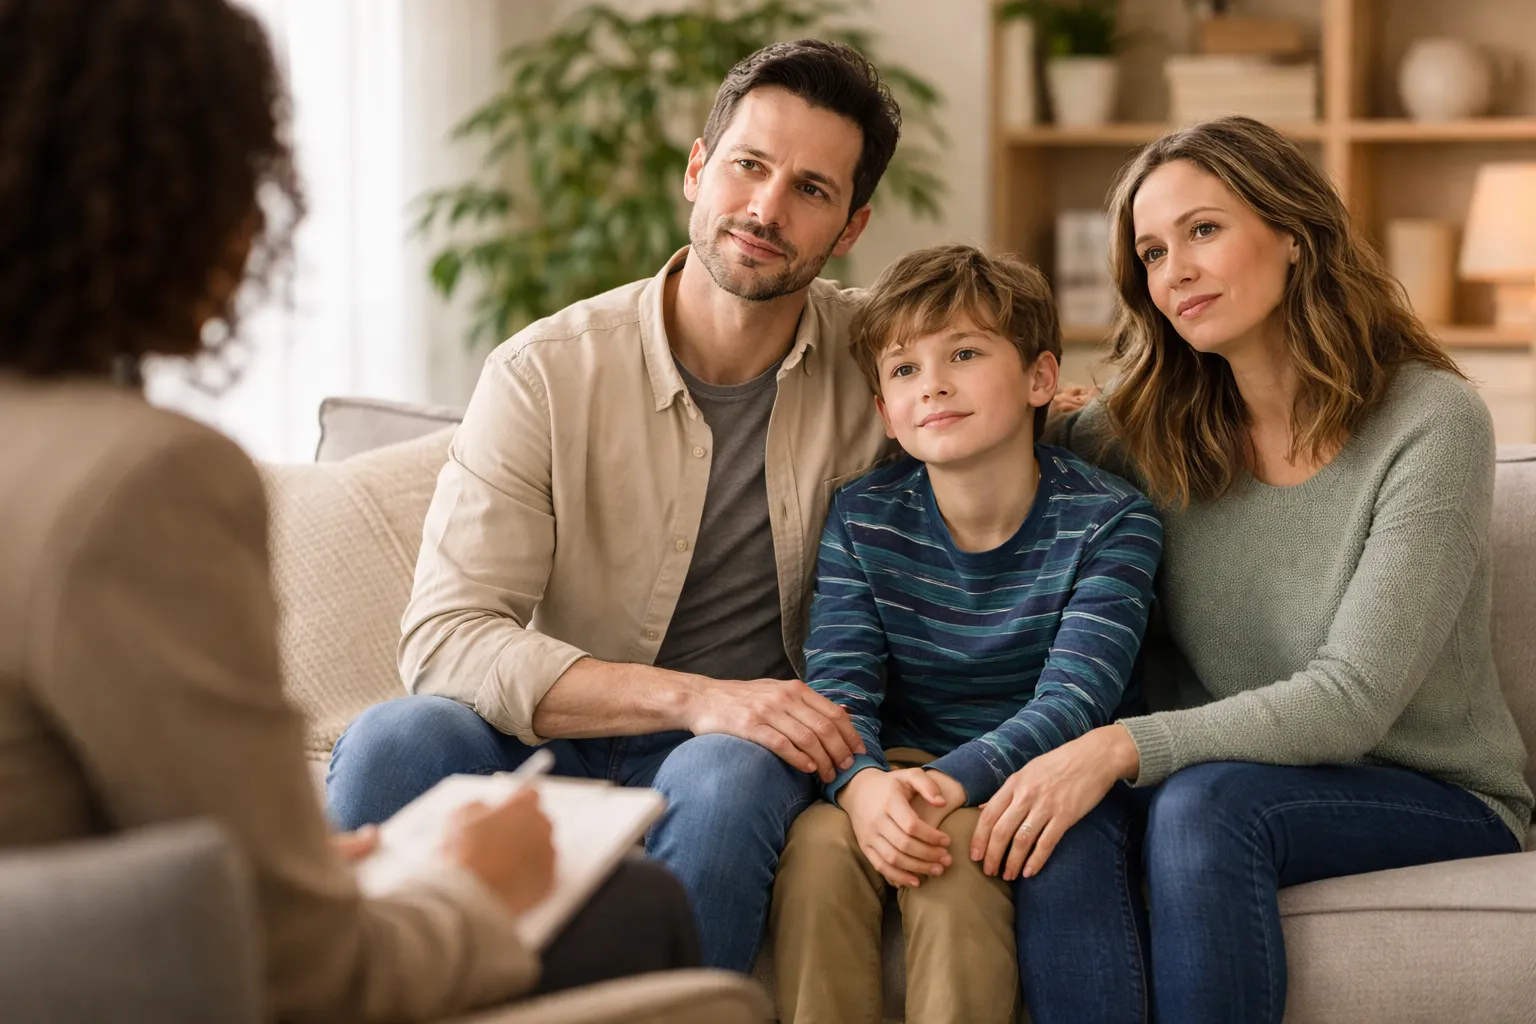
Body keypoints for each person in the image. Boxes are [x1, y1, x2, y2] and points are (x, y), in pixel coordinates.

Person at [0, 1, 709, 1020]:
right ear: (167, 186)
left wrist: (306, 868)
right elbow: (300, 973)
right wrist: (471, 885)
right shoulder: (138, 482)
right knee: (628, 905)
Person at [325, 38, 903, 972]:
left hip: (730, 760)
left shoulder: (884, 360)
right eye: (749, 166)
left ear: (850, 225)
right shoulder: (543, 372)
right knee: (399, 735)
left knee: (729, 770)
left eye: (811, 188)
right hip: (543, 735)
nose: (765, 208)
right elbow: (447, 637)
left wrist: (1059, 410)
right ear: (696, 169)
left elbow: (1010, 399)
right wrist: (699, 699)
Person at [988, 116, 1534, 1024]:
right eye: (1153, 253)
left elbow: (1352, 696)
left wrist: (1120, 746)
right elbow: (986, 447)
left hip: (1426, 785)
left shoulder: (1431, 422)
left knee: (1208, 805)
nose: (1177, 272)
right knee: (1062, 826)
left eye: (1203, 230)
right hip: (1216, 778)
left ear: (1292, 231)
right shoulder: (1137, 428)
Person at [768, 245, 1163, 1024]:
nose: (934, 384)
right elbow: (841, 684)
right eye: (905, 370)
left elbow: (1076, 699)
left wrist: (952, 785)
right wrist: (864, 785)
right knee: (815, 850)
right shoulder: (862, 515)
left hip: (1035, 774)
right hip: (900, 764)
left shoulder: (1112, 521)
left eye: (965, 354)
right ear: (884, 410)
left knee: (953, 863)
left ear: (1040, 379)